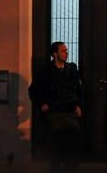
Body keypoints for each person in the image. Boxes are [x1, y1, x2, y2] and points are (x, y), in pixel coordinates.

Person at [28, 41, 84, 172]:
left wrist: (79, 105)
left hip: (70, 112)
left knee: (77, 144)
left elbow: (79, 89)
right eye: (63, 51)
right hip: (54, 112)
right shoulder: (45, 71)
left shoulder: (71, 69)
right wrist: (42, 104)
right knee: (55, 147)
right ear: (55, 54)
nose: (67, 53)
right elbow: (34, 90)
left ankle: (70, 169)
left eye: (66, 50)